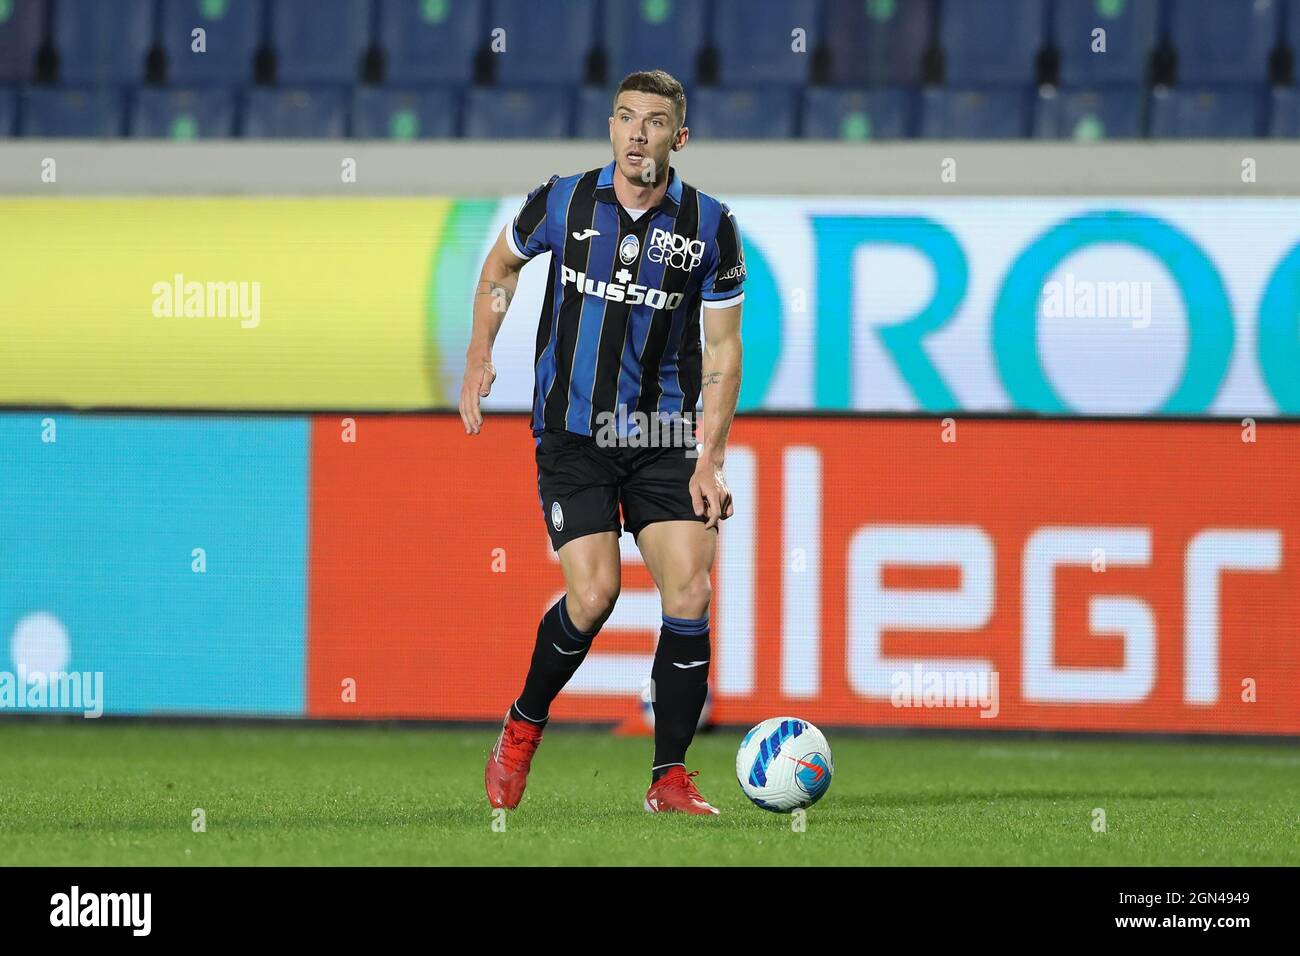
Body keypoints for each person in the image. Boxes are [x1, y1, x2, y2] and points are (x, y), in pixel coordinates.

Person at [459, 69, 745, 816]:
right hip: (574, 431)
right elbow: (501, 267)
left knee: (690, 588)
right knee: (594, 594)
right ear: (611, 128)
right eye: (625, 118)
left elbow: (722, 351)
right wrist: (479, 350)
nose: (637, 133)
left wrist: (710, 457)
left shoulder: (711, 226)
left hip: (660, 434)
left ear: (678, 138)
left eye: (654, 121)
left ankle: (669, 778)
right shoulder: (562, 200)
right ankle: (523, 724)